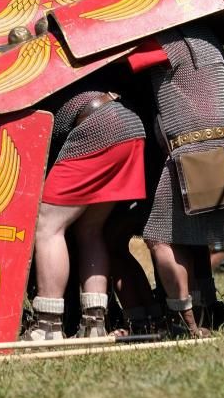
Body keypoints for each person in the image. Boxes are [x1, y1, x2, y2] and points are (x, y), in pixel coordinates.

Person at [131, 13, 224, 337]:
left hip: (193, 151)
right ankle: (205, 308)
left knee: (160, 238)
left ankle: (185, 321)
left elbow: (123, 64)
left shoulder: (162, 40)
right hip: (223, 147)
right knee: (191, 238)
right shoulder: (205, 35)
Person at [23, 78, 147, 340]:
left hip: (97, 124)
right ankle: (94, 324)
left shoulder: (23, 70)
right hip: (127, 122)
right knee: (90, 229)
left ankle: (48, 327)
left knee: (48, 225)